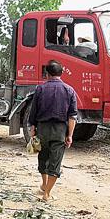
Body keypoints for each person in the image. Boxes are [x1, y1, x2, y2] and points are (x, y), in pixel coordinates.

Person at [28, 60, 77, 201]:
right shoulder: (69, 90)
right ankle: (47, 193)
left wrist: (32, 128)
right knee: (55, 162)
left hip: (42, 129)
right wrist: (70, 135)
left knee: (43, 158)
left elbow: (33, 111)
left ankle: (44, 184)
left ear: (47, 74)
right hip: (60, 131)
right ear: (61, 73)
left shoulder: (40, 89)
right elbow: (72, 116)